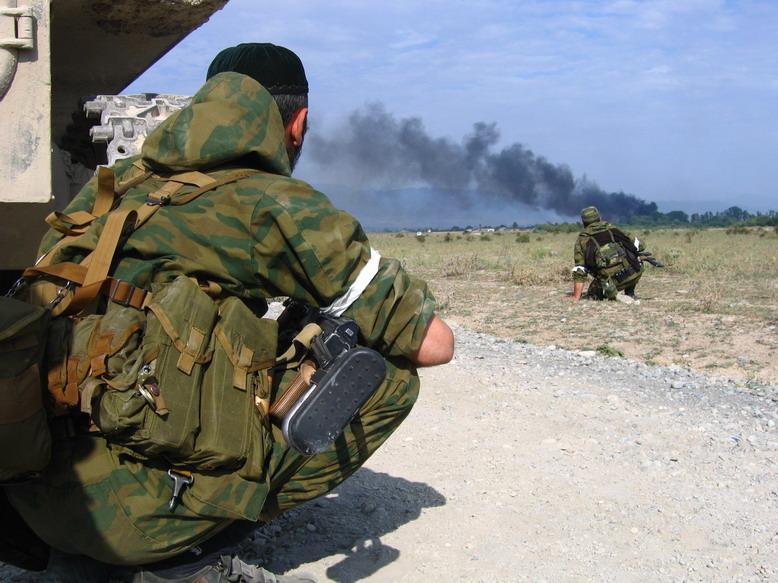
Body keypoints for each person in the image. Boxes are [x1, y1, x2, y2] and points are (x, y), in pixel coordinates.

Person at [2, 43, 454, 582]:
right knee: (391, 374)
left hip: (24, 494)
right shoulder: (269, 203)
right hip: (127, 525)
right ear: (297, 123)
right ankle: (183, 559)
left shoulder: (114, 187)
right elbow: (434, 343)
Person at [570, 206, 646, 301]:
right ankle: (629, 292)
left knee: (591, 293)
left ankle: (613, 295)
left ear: (583, 222)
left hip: (611, 283)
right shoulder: (614, 229)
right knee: (635, 257)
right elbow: (640, 245)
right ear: (599, 218)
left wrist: (576, 296)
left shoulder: (582, 240)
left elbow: (580, 270)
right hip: (634, 274)